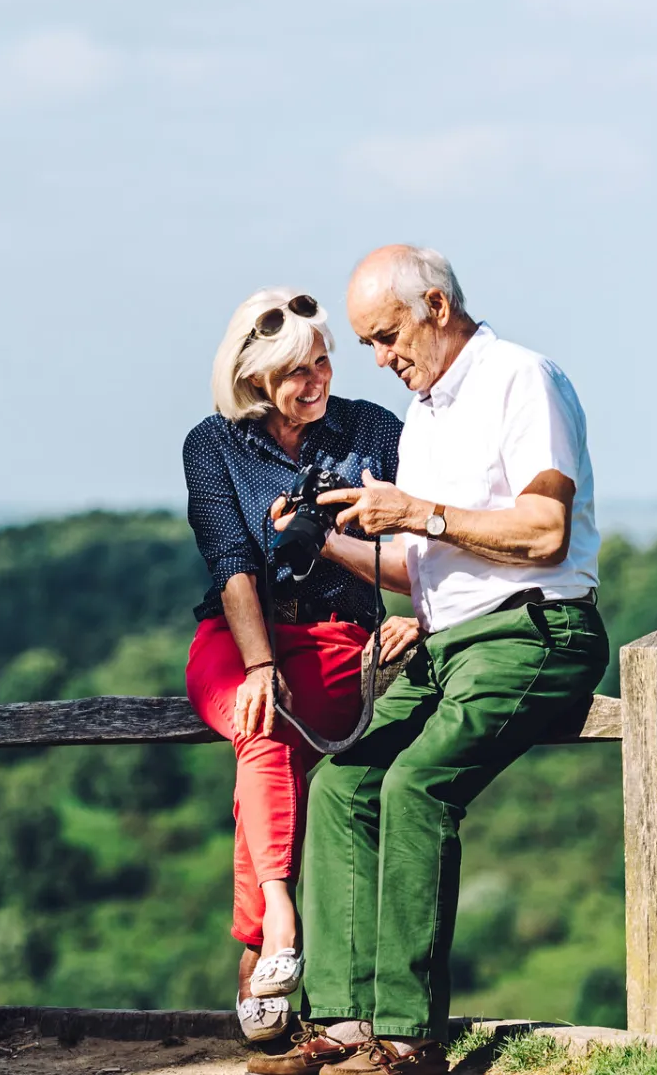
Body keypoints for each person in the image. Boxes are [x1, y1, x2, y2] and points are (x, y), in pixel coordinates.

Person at [249, 247, 608, 1075]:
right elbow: (429, 565)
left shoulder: (525, 380)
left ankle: (409, 1041)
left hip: (535, 631)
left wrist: (418, 510)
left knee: (416, 785)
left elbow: (543, 533)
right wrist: (335, 539)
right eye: (370, 343)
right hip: (448, 639)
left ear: (436, 306)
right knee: (341, 785)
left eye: (386, 336)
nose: (380, 359)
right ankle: (339, 1027)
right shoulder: (425, 415)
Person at [181, 287, 414, 1042]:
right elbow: (231, 560)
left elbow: (421, 543)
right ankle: (283, 916)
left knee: (265, 744)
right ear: (252, 378)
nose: (315, 382)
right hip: (237, 635)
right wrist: (256, 663)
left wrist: (417, 615)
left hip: (337, 635)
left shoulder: (372, 430)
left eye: (321, 363)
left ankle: (260, 950)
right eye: (294, 372)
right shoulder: (211, 445)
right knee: (263, 719)